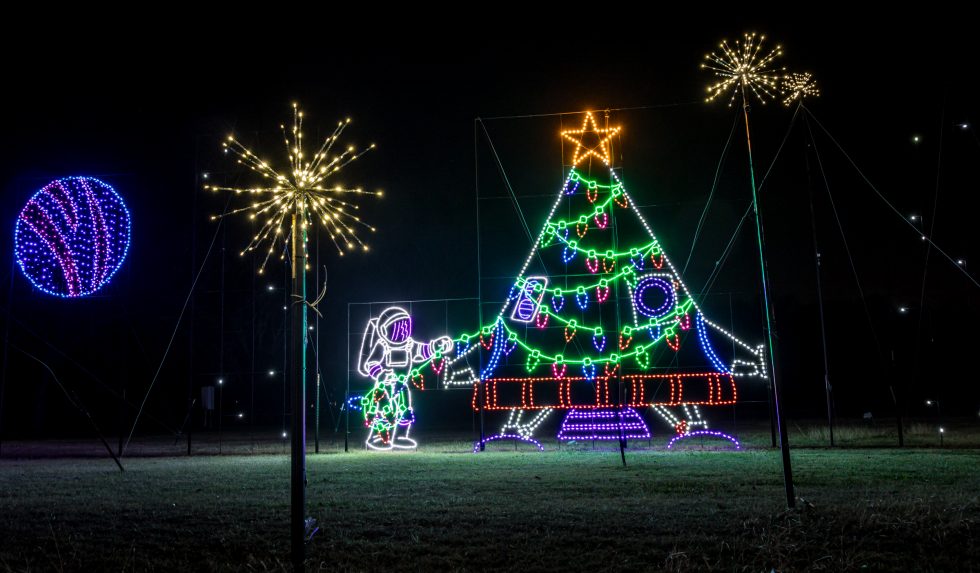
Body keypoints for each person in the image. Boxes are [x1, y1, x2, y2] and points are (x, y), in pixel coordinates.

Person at [357, 307, 452, 450]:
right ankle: (378, 436)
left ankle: (400, 436)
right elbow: (371, 363)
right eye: (397, 327)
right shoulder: (382, 345)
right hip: (384, 388)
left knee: (405, 409)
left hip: (402, 386)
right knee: (385, 411)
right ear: (384, 331)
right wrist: (380, 373)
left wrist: (437, 346)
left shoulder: (410, 345)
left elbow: (423, 351)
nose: (402, 330)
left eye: (405, 326)